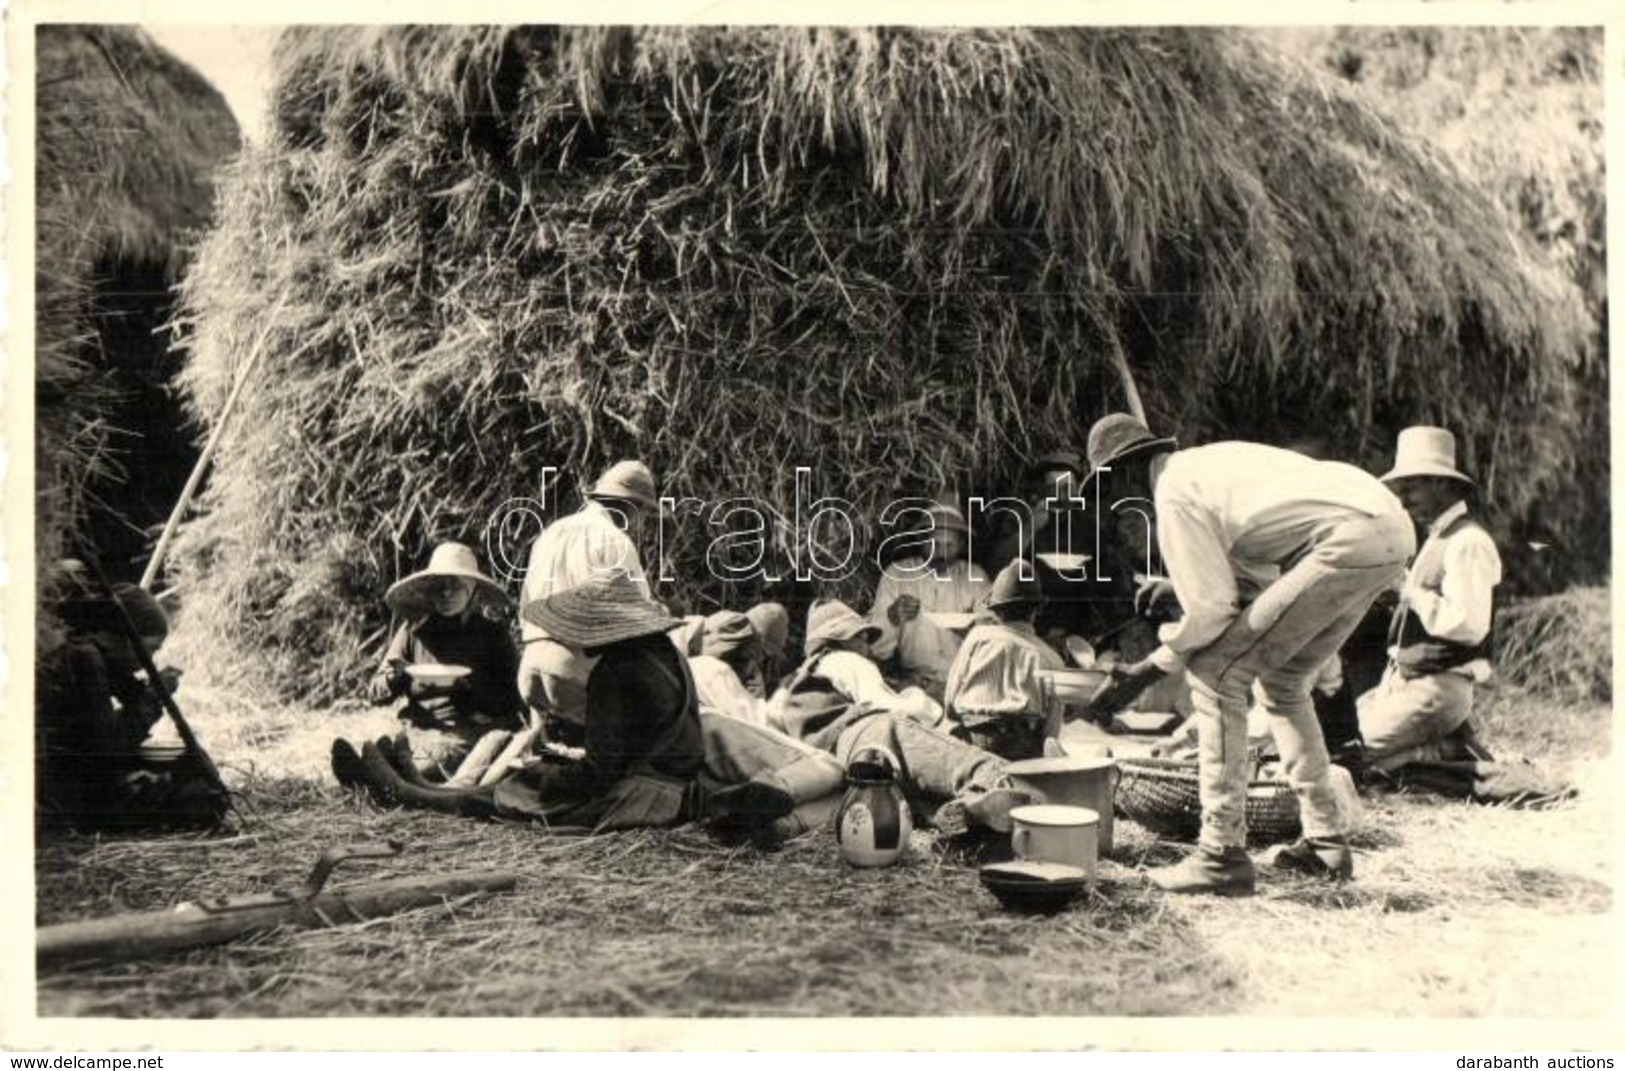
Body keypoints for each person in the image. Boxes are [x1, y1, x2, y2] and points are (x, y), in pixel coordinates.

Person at [1086, 414, 1415, 894]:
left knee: (1215, 674)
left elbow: (1214, 613)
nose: (1115, 501)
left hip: (1346, 539)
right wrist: (1178, 585)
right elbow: (1257, 591)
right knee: (1282, 680)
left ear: (1124, 471)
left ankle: (1220, 854)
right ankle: (1325, 839)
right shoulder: (1209, 467)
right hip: (1387, 531)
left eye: (1109, 487)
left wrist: (1145, 671)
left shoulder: (1173, 490)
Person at [338, 574, 840, 835]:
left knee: (513, 789)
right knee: (526, 771)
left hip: (640, 798)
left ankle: (415, 795)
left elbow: (600, 773)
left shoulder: (617, 674)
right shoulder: (665, 653)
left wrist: (543, 775)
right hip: (673, 784)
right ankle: (422, 782)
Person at [773, 599, 1035, 835]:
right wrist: (919, 697)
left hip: (844, 755)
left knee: (916, 787)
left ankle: (958, 813)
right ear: (839, 640)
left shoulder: (795, 680)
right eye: (861, 637)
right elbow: (884, 705)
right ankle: (1004, 783)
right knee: (959, 761)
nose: (867, 646)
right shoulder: (846, 661)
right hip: (876, 732)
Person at [1358, 427, 1503, 776]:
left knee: (1342, 756)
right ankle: (1438, 748)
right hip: (1406, 684)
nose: (1404, 501)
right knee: (1332, 738)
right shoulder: (1438, 538)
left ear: (1441, 484)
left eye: (1411, 488)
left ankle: (1439, 750)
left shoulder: (1467, 541)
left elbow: (1469, 625)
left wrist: (1411, 593)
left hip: (1437, 690)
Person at [516, 460, 657, 744]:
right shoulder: (615, 541)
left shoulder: (551, 533)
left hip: (530, 665)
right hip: (573, 667)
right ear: (629, 506)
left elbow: (526, 602)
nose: (641, 522)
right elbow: (638, 622)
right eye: (642, 511)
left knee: (551, 753)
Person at [36, 579, 191, 828]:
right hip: (62, 792)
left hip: (69, 777)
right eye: (150, 650)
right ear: (122, 638)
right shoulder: (86, 658)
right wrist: (153, 697)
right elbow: (108, 750)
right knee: (189, 794)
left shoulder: (92, 653)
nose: (149, 660)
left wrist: (142, 693)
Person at [366, 542, 524, 772]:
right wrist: (395, 677)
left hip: (467, 733)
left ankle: (408, 779)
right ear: (430, 590)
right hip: (418, 730)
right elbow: (375, 692)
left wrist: (470, 689)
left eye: (456, 586)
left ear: (473, 591)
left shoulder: (492, 635)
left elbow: (516, 700)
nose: (446, 593)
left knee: (433, 762)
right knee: (382, 755)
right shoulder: (414, 631)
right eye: (439, 585)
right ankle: (397, 774)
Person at [941, 559, 1068, 759]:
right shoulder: (1051, 659)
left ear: (996, 611)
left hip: (971, 745)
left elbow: (949, 702)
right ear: (1037, 610)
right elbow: (1050, 735)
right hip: (1021, 749)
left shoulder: (976, 638)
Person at [869, 502, 988, 699]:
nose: (940, 554)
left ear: (961, 544)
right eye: (934, 544)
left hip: (965, 684)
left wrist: (972, 630)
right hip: (914, 685)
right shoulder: (897, 574)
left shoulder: (975, 578)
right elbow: (877, 651)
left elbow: (993, 641)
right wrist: (892, 618)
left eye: (949, 545)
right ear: (921, 540)